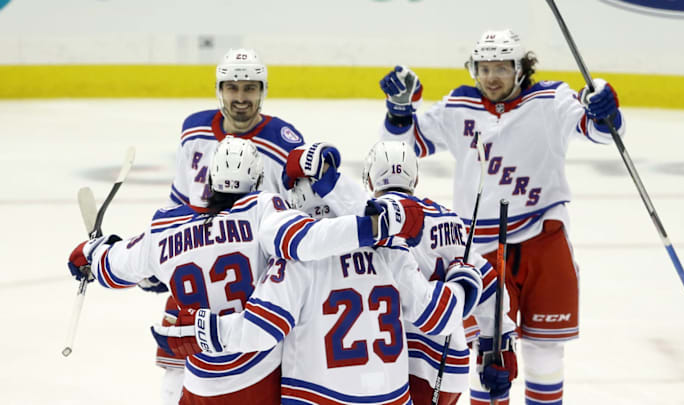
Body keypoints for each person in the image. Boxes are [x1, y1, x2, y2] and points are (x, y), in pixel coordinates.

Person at [67, 138, 425, 404]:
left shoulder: (164, 229)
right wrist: (373, 228)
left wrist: (92, 252)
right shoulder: (262, 209)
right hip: (257, 378)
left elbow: (114, 267)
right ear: (256, 181)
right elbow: (303, 240)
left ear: (209, 182)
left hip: (198, 381)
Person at [377, 30, 626, 404]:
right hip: (481, 250)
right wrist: (398, 112)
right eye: (484, 68)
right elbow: (403, 147)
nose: (491, 77)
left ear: (520, 69)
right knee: (487, 353)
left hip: (544, 238)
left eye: (502, 68)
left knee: (545, 352)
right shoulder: (458, 105)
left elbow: (602, 132)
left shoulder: (551, 99)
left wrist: (604, 110)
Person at [150, 175, 486, 405]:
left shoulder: (293, 263)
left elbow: (258, 332)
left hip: (315, 397)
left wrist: (204, 331)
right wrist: (463, 280)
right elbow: (437, 317)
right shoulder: (390, 250)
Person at [283, 139, 519, 404]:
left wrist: (325, 178)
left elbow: (358, 208)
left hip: (398, 361)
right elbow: (487, 283)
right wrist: (498, 344)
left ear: (370, 181)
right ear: (415, 178)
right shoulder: (449, 219)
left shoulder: (375, 219)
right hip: (449, 362)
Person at [157, 47, 311, 404]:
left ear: (263, 90)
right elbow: (179, 202)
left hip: (253, 280)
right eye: (232, 88)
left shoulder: (284, 143)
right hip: (195, 266)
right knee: (177, 367)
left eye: (250, 88)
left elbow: (299, 217)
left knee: (263, 369)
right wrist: (160, 254)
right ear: (219, 90)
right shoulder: (193, 129)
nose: (241, 98)